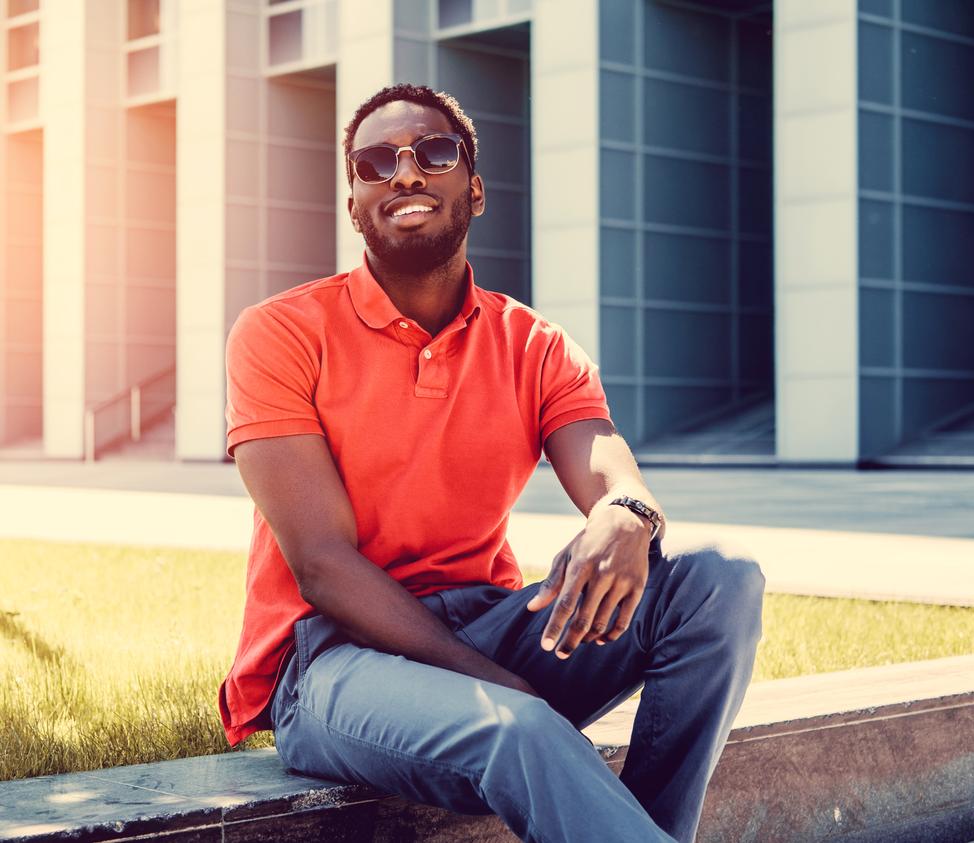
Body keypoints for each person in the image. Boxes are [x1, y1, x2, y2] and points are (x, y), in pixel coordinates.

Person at [218, 83, 764, 843]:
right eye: (375, 163)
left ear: (474, 189)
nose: (403, 174)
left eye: (432, 153)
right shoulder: (279, 332)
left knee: (720, 581)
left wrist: (625, 512)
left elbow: (610, 467)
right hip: (333, 662)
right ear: (353, 206)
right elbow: (322, 563)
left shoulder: (534, 343)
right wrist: (499, 686)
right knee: (517, 726)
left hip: (487, 624)